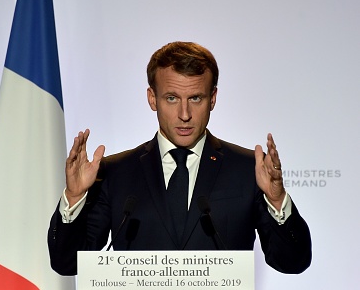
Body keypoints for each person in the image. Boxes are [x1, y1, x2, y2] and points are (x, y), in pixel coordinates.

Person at [48, 41, 312, 276]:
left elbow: (292, 262)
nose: (184, 114)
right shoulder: (115, 172)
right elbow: (68, 264)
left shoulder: (246, 170)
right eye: (172, 98)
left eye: (195, 98)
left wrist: (277, 201)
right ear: (152, 98)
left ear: (213, 98)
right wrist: (74, 198)